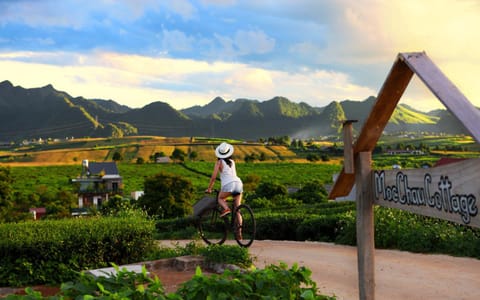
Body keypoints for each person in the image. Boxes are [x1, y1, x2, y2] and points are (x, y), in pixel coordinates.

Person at [206, 142, 243, 222]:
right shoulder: (232, 162)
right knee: (237, 210)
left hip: (229, 185)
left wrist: (209, 189)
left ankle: (226, 208)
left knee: (220, 198)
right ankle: (239, 233)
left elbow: (213, 178)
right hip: (238, 183)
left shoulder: (219, 162)